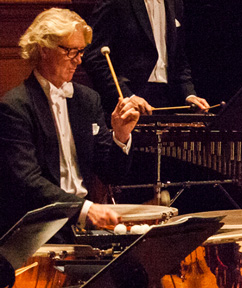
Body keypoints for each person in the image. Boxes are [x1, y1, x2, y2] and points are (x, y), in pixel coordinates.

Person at [0, 8, 140, 234]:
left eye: (81, 51)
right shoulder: (15, 107)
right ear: (44, 49)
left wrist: (121, 135)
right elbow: (28, 181)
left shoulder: (88, 100)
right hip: (40, 228)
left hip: (82, 226)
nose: (79, 60)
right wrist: (84, 209)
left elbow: (111, 173)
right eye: (71, 51)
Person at [81, 0, 207, 111]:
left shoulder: (175, 3)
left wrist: (189, 94)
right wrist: (127, 96)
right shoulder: (116, 2)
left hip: (168, 98)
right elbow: (94, 56)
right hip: (128, 97)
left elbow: (178, 57)